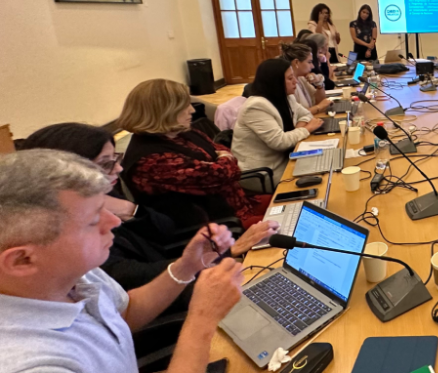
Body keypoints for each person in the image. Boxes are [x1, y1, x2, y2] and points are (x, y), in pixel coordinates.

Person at [0, 149, 248, 373]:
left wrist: (186, 267)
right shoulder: (32, 363)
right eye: (93, 220)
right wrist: (203, 317)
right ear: (22, 260)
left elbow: (124, 312)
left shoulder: (70, 273)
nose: (115, 221)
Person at [20, 123, 278, 299]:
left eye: (115, 159)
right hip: (165, 297)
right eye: (106, 164)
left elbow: (164, 230)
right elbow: (125, 276)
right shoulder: (57, 230)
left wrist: (128, 208)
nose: (119, 169)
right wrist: (219, 257)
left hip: (176, 274)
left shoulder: (106, 194)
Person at [118, 79, 272, 230]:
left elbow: (226, 155)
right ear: (163, 111)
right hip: (218, 227)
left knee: (284, 203)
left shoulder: (181, 132)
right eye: (184, 106)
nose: (192, 110)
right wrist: (223, 159)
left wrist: (222, 160)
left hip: (241, 204)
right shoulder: (149, 160)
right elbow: (222, 174)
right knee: (282, 223)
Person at [232, 58, 323, 180]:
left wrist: (298, 127)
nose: (295, 81)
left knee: (324, 163)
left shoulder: (286, 97)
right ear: (275, 82)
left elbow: (306, 114)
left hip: (285, 158)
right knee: (322, 174)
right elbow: (280, 142)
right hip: (265, 172)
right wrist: (307, 129)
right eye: (290, 78)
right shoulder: (256, 106)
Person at [279, 42, 330, 115]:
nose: (312, 66)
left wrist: (319, 84)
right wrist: (319, 107)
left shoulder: (301, 79)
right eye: (309, 62)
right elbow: (295, 115)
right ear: (296, 62)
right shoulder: (288, 84)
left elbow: (320, 101)